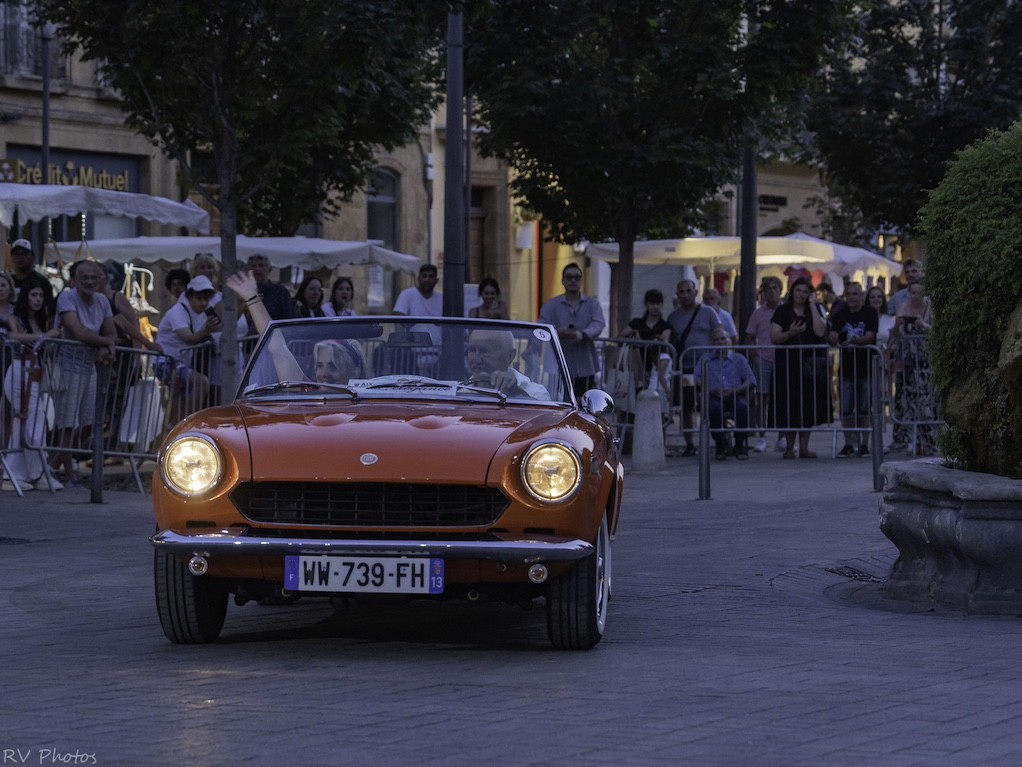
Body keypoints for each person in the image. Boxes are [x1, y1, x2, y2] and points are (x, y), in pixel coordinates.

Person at [49, 260, 118, 485]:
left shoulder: (102, 301)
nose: (89, 281)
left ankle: (52, 464)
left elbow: (112, 331)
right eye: (84, 278)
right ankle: (71, 475)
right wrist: (106, 344)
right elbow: (78, 332)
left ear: (101, 279)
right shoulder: (67, 297)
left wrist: (107, 343)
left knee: (89, 422)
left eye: (93, 277)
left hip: (90, 368)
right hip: (68, 366)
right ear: (74, 281)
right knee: (67, 424)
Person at [3, 278, 62, 491]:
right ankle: (22, 474)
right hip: (19, 372)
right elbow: (14, 336)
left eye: (40, 296)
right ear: (25, 296)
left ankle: (27, 473)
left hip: (35, 373)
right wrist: (45, 336)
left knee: (34, 424)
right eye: (33, 295)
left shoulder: (41, 320)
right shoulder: (15, 318)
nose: (37, 300)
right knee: (26, 422)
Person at [770, 276, 830, 459]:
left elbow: (820, 331)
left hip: (809, 364)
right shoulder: (782, 311)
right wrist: (791, 333)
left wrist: (812, 306)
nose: (801, 295)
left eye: (805, 291)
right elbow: (774, 337)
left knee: (807, 405)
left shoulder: (816, 308)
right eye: (798, 290)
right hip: (787, 363)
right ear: (792, 291)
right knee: (789, 404)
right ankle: (789, 447)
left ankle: (804, 447)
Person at [155, 275, 222, 420]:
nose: (203, 303)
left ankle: (176, 425)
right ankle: (188, 422)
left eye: (206, 299)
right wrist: (207, 330)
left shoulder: (205, 311)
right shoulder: (177, 312)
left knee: (178, 401)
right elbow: (189, 339)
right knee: (201, 382)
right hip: (166, 362)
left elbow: (221, 327)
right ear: (190, 296)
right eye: (199, 299)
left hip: (182, 363)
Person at [667, 279, 720, 456]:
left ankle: (718, 440)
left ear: (695, 292)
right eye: (681, 292)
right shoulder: (673, 317)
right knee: (687, 406)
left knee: (711, 403)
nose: (685, 295)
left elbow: (719, 333)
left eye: (688, 291)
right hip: (685, 368)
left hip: (708, 367)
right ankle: (690, 443)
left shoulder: (708, 312)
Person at [538, 263, 605, 396]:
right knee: (558, 400)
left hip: (585, 364)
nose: (573, 280)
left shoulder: (592, 304)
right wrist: (557, 331)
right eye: (569, 277)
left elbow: (599, 323)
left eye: (576, 277)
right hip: (557, 365)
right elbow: (542, 325)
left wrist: (583, 334)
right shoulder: (551, 305)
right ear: (563, 281)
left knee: (584, 403)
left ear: (581, 280)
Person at [827, 282, 878, 456]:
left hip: (866, 368)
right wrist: (833, 336)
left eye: (855, 294)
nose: (852, 298)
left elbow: (870, 337)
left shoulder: (870, 313)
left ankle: (864, 444)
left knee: (865, 409)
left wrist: (854, 341)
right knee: (846, 409)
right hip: (847, 367)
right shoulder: (840, 314)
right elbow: (833, 335)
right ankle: (848, 444)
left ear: (861, 295)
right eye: (849, 294)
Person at [692, 326, 757, 460]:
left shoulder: (739, 359)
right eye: (716, 340)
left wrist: (735, 391)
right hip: (714, 395)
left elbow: (750, 380)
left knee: (742, 407)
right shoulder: (705, 359)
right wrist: (712, 390)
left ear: (729, 340)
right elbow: (696, 379)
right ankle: (720, 444)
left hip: (736, 394)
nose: (720, 342)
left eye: (723, 338)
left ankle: (739, 445)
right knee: (714, 408)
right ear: (711, 342)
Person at [894, 281, 938, 455]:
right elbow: (897, 333)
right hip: (910, 362)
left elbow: (936, 330)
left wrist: (923, 325)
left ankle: (930, 442)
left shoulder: (930, 308)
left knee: (927, 403)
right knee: (911, 402)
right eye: (913, 293)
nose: (916, 296)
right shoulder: (904, 307)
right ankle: (916, 441)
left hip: (926, 363)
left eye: (919, 293)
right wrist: (900, 324)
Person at [620, 288, 672, 418]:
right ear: (646, 304)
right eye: (651, 303)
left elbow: (664, 343)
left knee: (655, 413)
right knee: (630, 411)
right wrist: (633, 335)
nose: (655, 307)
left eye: (658, 303)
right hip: (635, 370)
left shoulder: (665, 326)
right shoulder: (636, 323)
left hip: (654, 372)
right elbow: (620, 337)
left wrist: (640, 341)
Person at [745, 276, 783, 452]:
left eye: (775, 288)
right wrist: (755, 355)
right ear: (764, 292)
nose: (772, 292)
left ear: (780, 291)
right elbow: (750, 336)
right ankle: (761, 436)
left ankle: (783, 437)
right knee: (762, 397)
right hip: (763, 358)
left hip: (783, 358)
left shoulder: (786, 310)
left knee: (782, 399)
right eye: (769, 289)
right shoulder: (758, 312)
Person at [465, 328, 548, 399]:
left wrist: (513, 394)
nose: (477, 360)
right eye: (472, 350)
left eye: (485, 351)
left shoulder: (536, 394)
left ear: (510, 356)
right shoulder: (457, 393)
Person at [247, 253, 295, 321]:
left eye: (260, 266)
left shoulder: (280, 292)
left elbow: (290, 319)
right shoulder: (243, 293)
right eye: (253, 266)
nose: (257, 268)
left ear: (269, 269)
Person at [9, 239, 55, 310]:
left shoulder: (42, 282)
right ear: (12, 258)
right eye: (16, 254)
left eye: (24, 253)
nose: (20, 257)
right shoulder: (7, 282)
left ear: (32, 257)